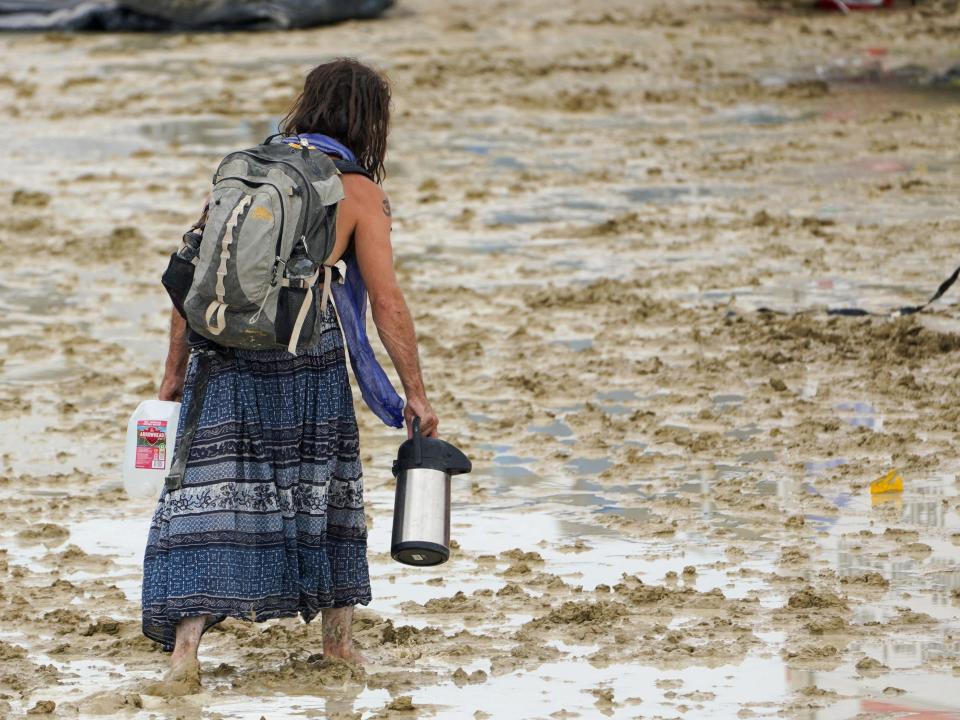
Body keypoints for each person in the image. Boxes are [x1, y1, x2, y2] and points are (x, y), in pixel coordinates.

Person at [141, 57, 439, 691]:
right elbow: (385, 302)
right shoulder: (357, 192)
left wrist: (172, 376)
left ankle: (184, 655)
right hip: (307, 352)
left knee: (212, 492)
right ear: (370, 121)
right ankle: (338, 647)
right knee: (325, 485)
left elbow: (190, 277)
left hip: (220, 353)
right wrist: (414, 393)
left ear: (308, 104)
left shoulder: (246, 170)